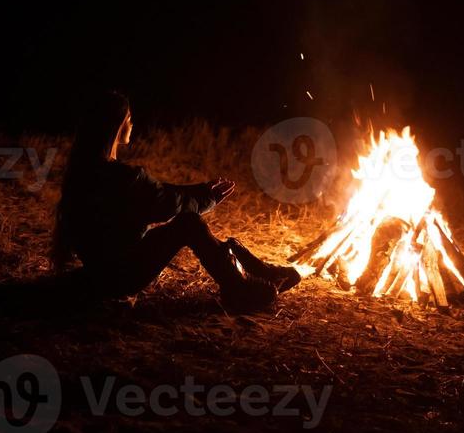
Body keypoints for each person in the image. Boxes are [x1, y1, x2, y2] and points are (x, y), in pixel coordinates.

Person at [51, 91, 301, 312]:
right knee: (189, 223)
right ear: (117, 126)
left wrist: (200, 190)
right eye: (129, 119)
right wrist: (208, 197)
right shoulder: (123, 178)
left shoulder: (83, 172)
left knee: (187, 220)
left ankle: (252, 274)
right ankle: (239, 289)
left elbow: (159, 193)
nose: (132, 123)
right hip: (122, 276)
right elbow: (168, 204)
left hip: (100, 272)